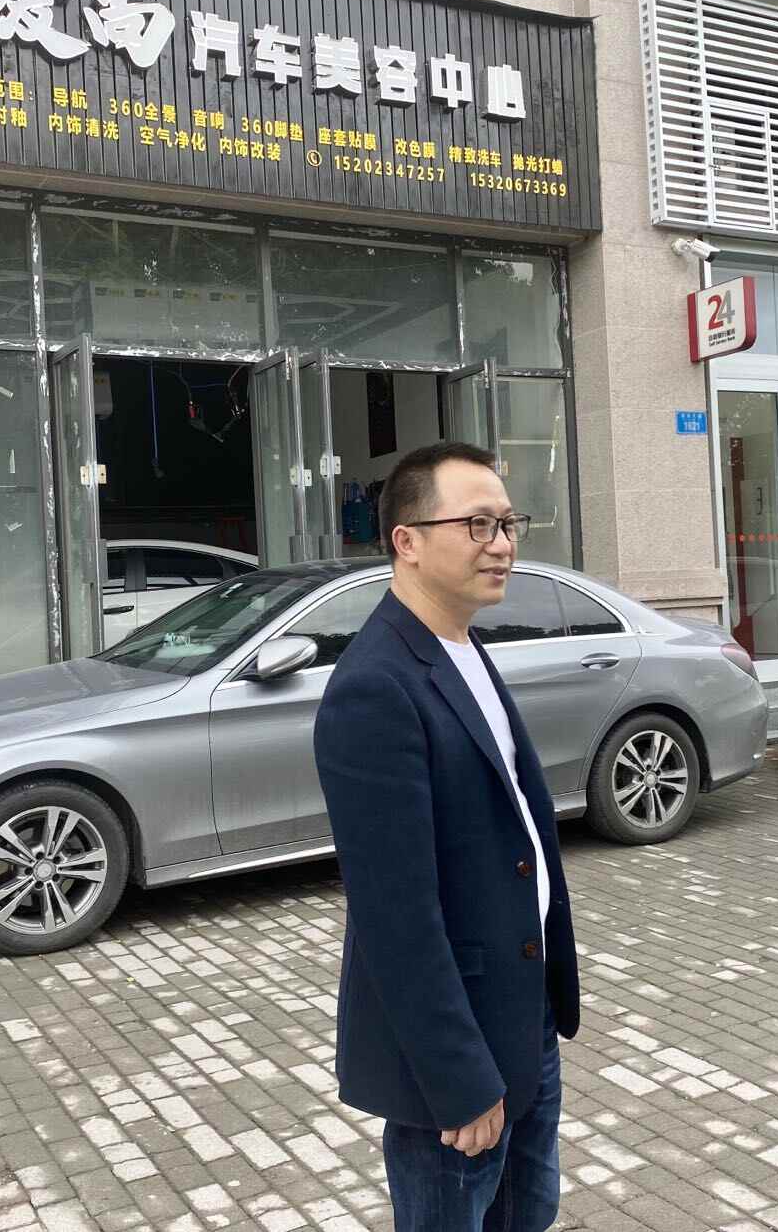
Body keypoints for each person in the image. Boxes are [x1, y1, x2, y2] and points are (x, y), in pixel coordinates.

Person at [313, 441, 581, 1232]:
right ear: (407, 540)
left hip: (522, 1015)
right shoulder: (375, 686)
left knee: (527, 1212)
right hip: (457, 1059)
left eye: (508, 523)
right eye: (477, 524)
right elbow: (394, 914)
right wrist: (457, 1076)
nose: (502, 544)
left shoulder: (461, 647)